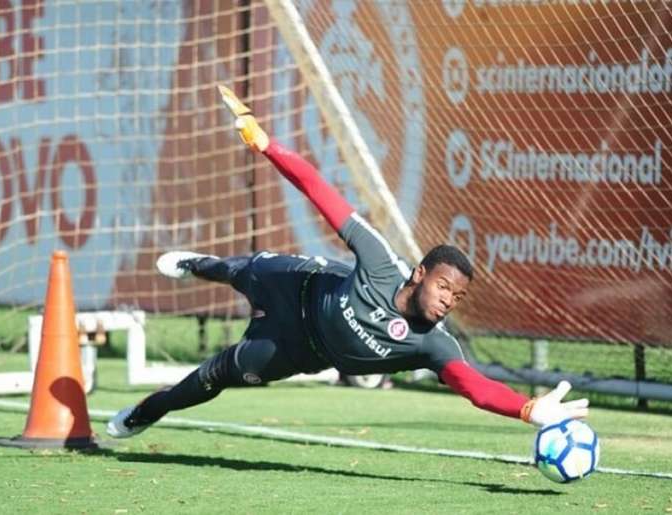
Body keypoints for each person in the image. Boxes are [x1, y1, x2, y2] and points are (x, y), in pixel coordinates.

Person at [106, 86, 589, 438]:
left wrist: (527, 409)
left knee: (213, 377)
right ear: (420, 273)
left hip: (295, 350)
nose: (448, 301)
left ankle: (148, 412)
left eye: (457, 297)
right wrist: (267, 145)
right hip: (297, 285)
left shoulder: (434, 345)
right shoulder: (381, 260)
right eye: (443, 287)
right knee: (237, 270)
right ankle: (197, 265)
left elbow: (476, 388)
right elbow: (319, 190)